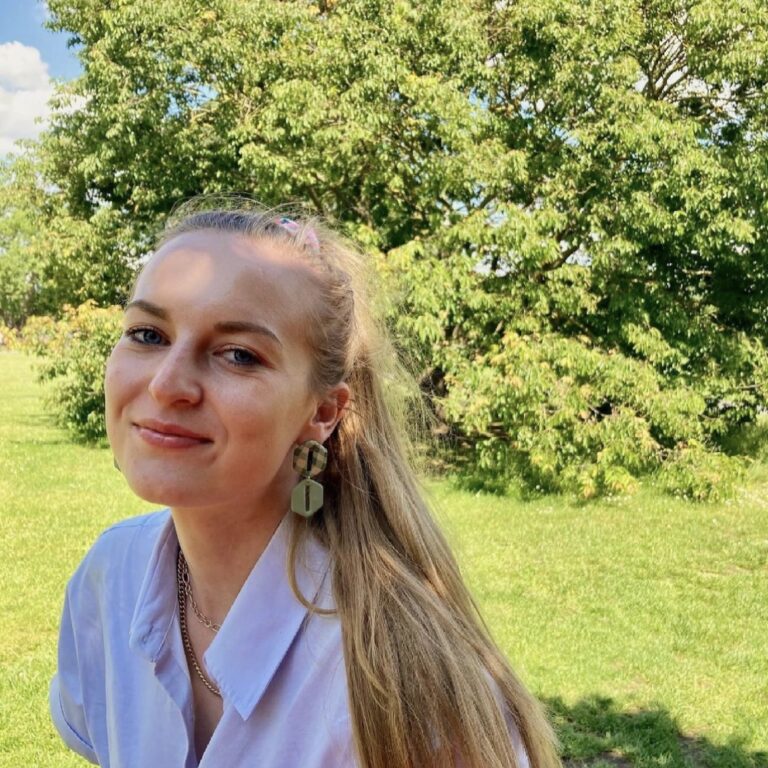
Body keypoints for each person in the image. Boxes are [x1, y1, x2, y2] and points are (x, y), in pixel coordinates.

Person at [50, 203, 560, 768]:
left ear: (322, 412)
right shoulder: (110, 576)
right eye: (148, 334)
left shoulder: (401, 687)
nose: (168, 383)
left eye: (239, 354)